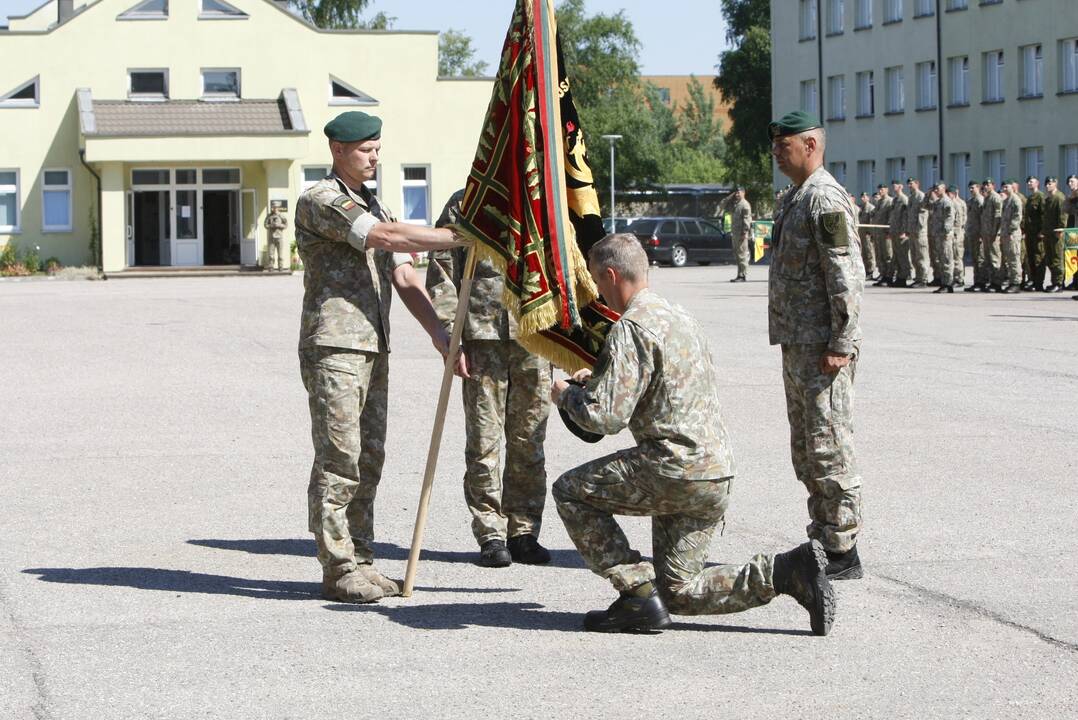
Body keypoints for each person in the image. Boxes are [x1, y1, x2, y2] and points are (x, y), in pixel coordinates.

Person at [550, 232, 835, 635]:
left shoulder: (630, 328)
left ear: (612, 275)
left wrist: (566, 396)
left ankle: (634, 591)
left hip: (672, 469)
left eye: (598, 283)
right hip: (714, 473)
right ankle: (787, 572)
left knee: (569, 491)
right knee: (679, 591)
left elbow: (604, 418)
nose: (599, 294)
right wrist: (597, 379)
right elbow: (662, 386)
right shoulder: (682, 318)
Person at [296, 110, 470, 604]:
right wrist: (461, 237)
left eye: (377, 148)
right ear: (337, 150)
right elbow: (387, 239)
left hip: (374, 345)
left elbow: (404, 275)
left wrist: (439, 332)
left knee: (369, 457)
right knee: (340, 456)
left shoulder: (378, 205)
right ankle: (338, 565)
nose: (375, 156)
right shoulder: (321, 200)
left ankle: (363, 559)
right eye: (365, 149)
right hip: (335, 346)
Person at [426, 190, 553, 568]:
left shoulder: (543, 200)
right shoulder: (469, 201)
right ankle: (491, 532)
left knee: (529, 438)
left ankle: (524, 531)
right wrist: (450, 333)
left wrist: (567, 342)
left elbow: (565, 269)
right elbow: (442, 271)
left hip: (535, 335)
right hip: (481, 338)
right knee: (483, 440)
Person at [768, 110, 865, 581]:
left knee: (829, 444)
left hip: (823, 346)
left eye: (783, 146)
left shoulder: (823, 198)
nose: (776, 154)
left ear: (810, 145)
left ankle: (843, 548)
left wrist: (841, 342)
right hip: (800, 342)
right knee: (807, 447)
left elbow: (845, 276)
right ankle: (824, 534)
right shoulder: (796, 197)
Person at [720, 186, 753, 282]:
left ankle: (743, 275)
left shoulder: (745, 205)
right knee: (737, 254)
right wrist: (730, 196)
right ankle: (739, 274)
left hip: (741, 234)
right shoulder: (736, 204)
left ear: (744, 193)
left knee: (742, 254)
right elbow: (722, 205)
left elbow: (747, 220)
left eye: (739, 193)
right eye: (736, 193)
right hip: (735, 233)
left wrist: (744, 232)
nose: (737, 195)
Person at [927, 182, 955, 294]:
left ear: (943, 189)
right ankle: (943, 282)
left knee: (947, 259)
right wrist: (927, 195)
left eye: (937, 188)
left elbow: (950, 217)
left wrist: (946, 231)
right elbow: (925, 206)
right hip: (938, 235)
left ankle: (948, 284)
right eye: (934, 189)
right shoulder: (937, 202)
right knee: (941, 260)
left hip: (944, 236)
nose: (936, 190)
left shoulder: (947, 202)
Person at [1041, 176, 1068, 292]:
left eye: (1050, 183)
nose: (1048, 186)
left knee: (1057, 258)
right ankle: (1054, 282)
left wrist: (1061, 229)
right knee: (1050, 258)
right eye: (1046, 184)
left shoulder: (1059, 197)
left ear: (1055, 184)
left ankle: (1059, 283)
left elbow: (1063, 215)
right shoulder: (1048, 199)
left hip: (1056, 233)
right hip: (1048, 233)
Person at [999, 179, 1023, 294]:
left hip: (1012, 234)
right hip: (1006, 234)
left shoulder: (1015, 200)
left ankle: (1016, 283)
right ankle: (1012, 281)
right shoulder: (1006, 200)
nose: (1004, 189)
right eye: (1003, 187)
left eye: (1006, 187)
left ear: (1012, 187)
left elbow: (1017, 218)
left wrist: (1009, 231)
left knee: (1014, 258)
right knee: (1009, 259)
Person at [981, 178, 1005, 292]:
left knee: (995, 258)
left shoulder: (995, 197)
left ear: (993, 186)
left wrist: (995, 232)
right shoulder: (987, 198)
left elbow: (998, 217)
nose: (986, 186)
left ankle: (997, 283)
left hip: (993, 233)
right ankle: (992, 281)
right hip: (986, 232)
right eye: (985, 184)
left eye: (988, 184)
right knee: (988, 258)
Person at [906, 178, 930, 288]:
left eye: (911, 184)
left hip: (919, 232)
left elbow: (923, 215)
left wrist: (918, 228)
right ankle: (918, 277)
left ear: (917, 184)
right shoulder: (911, 197)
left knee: (921, 256)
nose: (909, 186)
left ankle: (923, 279)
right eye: (909, 184)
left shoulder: (921, 196)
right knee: (914, 256)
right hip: (912, 231)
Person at [1023, 176, 1045, 291]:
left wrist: (1042, 231)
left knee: (1038, 257)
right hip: (1030, 233)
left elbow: (1043, 215)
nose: (1029, 183)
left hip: (1037, 233)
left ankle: (1039, 283)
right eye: (1028, 182)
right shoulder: (1030, 198)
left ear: (1037, 183)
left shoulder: (1040, 197)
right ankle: (1033, 281)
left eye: (1031, 182)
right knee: (1031, 257)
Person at [964, 181, 986, 292]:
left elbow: (983, 218)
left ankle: (981, 282)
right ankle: (976, 281)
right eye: (970, 188)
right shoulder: (971, 201)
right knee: (974, 258)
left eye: (973, 188)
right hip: (972, 233)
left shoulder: (980, 200)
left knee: (980, 258)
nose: (971, 190)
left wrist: (982, 233)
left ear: (978, 187)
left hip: (979, 233)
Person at [889, 179, 911, 287]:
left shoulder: (904, 199)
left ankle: (903, 277)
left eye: (896, 185)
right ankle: (899, 277)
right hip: (894, 231)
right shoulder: (895, 200)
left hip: (901, 232)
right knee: (897, 255)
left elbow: (906, 217)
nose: (894, 187)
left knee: (903, 256)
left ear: (901, 187)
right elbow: (893, 217)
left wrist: (904, 231)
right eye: (893, 185)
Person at [872, 184, 894, 287]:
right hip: (878, 233)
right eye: (879, 189)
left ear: (886, 190)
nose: (880, 191)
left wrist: (889, 231)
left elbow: (891, 217)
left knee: (887, 255)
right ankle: (883, 274)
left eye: (882, 189)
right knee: (880, 255)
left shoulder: (890, 201)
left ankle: (889, 276)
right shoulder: (879, 202)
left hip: (885, 233)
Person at [947, 186, 967, 288]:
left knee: (957, 256)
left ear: (954, 194)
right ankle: (955, 277)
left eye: (949, 193)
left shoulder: (957, 204)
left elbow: (959, 221)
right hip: (953, 234)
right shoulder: (950, 203)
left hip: (957, 234)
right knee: (953, 256)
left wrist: (955, 233)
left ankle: (959, 279)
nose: (947, 195)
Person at [858, 191, 878, 279]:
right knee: (864, 253)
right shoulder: (861, 208)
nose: (863, 198)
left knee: (870, 253)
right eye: (862, 197)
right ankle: (866, 270)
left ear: (868, 198)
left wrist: (870, 232)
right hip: (862, 233)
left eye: (865, 197)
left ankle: (870, 270)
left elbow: (871, 221)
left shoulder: (870, 208)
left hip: (867, 234)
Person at [264, 205, 288, 271]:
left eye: (275, 207)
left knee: (280, 254)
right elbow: (265, 225)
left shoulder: (281, 216)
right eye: (273, 207)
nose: (274, 209)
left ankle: (280, 267)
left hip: (279, 237)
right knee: (271, 254)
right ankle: (271, 267)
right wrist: (271, 225)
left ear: (278, 208)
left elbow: (286, 224)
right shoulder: (269, 216)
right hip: (271, 237)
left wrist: (279, 225)